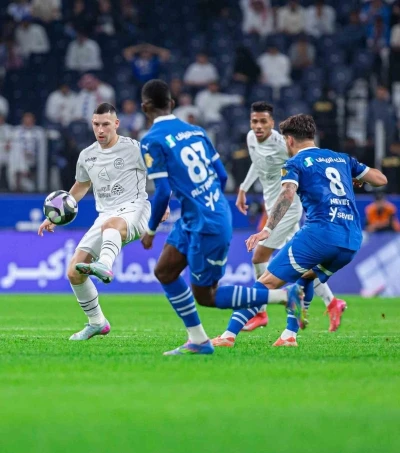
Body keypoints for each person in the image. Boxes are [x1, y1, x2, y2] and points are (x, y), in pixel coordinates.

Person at [139, 79, 304, 356]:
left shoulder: (150, 140)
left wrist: (151, 230)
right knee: (164, 271)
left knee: (207, 295)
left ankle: (284, 296)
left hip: (207, 223)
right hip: (198, 216)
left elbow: (163, 191)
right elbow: (222, 175)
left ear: (145, 107)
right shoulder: (196, 131)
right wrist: (206, 198)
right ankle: (198, 341)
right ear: (172, 104)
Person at [211, 103, 347, 349]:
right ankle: (331, 302)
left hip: (287, 209)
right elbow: (258, 163)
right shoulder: (251, 138)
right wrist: (243, 188)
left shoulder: (285, 146)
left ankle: (260, 311)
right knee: (305, 266)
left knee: (259, 257)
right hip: (271, 206)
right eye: (254, 121)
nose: (258, 126)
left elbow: (307, 169)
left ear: (272, 124)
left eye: (263, 121)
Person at [244, 114, 387, 347]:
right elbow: (381, 179)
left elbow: (287, 194)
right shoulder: (342, 158)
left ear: (289, 140)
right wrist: (355, 178)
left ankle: (229, 333)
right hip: (351, 239)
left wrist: (267, 229)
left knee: (266, 280)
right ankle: (291, 334)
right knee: (306, 276)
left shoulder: (295, 163)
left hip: (320, 233)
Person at [37, 103, 152, 341]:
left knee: (112, 225)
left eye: (105, 124)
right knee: (74, 272)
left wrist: (165, 204)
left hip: (136, 208)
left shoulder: (134, 148)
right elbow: (81, 186)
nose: (100, 130)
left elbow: (161, 173)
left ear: (116, 124)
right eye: (96, 124)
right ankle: (97, 322)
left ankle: (105, 265)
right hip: (106, 215)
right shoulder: (87, 155)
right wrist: (55, 215)